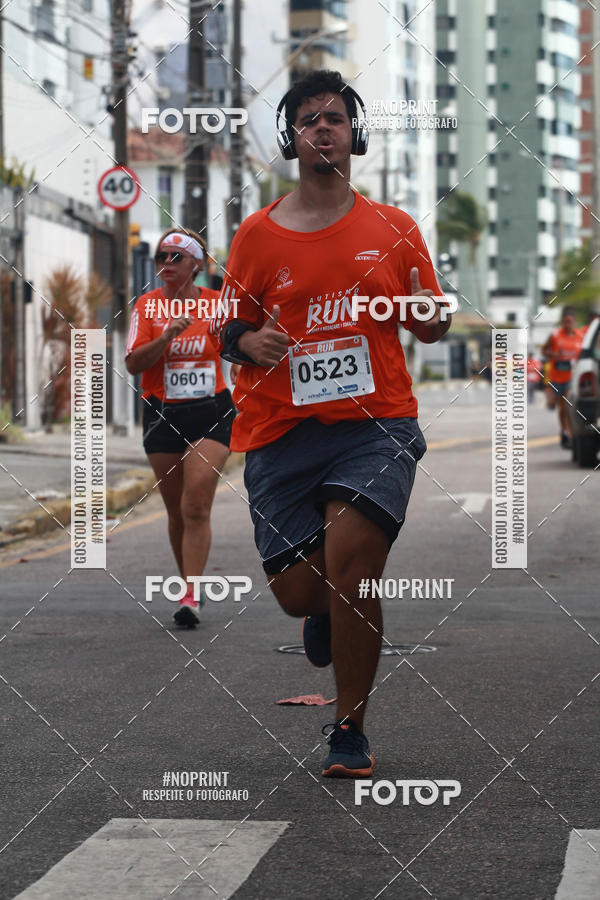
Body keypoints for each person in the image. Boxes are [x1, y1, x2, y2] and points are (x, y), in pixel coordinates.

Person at [211, 70, 451, 777]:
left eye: (336, 117)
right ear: (291, 138)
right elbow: (229, 324)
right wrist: (246, 342)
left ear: (354, 136)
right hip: (280, 430)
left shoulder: (395, 229)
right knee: (299, 595)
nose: (323, 126)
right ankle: (320, 614)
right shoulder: (256, 236)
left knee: (353, 565)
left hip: (375, 425)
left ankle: (349, 728)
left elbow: (430, 320)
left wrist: (430, 316)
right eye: (309, 118)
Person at [125, 228, 237, 627]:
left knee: (195, 503)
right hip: (162, 412)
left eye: (176, 257)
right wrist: (167, 336)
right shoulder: (148, 307)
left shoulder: (215, 304)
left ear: (196, 265)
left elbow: (236, 349)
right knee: (175, 511)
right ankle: (191, 582)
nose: (166, 265)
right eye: (161, 258)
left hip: (212, 411)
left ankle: (190, 597)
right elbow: (134, 364)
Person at [541, 306, 584, 448]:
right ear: (562, 321)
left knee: (568, 406)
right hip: (556, 377)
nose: (568, 324)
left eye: (570, 321)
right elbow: (544, 351)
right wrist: (555, 355)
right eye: (565, 321)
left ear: (574, 321)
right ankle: (564, 431)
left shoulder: (580, 337)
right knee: (562, 409)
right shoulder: (555, 335)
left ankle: (570, 434)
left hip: (572, 378)